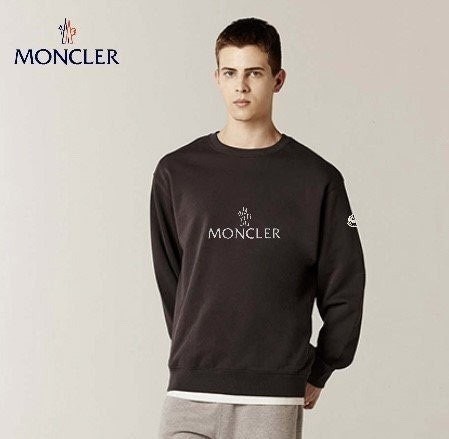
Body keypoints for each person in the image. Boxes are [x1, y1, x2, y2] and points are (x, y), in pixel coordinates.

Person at [150, 17, 366, 439]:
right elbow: (171, 277)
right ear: (216, 78)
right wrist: (195, 352)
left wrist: (321, 367)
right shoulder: (177, 173)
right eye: (230, 73)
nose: (241, 86)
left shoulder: (317, 179)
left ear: (278, 79)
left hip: (271, 398)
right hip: (190, 390)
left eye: (254, 73)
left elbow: (346, 283)